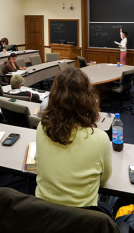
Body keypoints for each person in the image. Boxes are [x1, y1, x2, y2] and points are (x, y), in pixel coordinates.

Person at [35, 68, 112, 207]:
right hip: (82, 221)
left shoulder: (42, 128)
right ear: (88, 98)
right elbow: (104, 179)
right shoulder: (100, 139)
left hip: (43, 216)